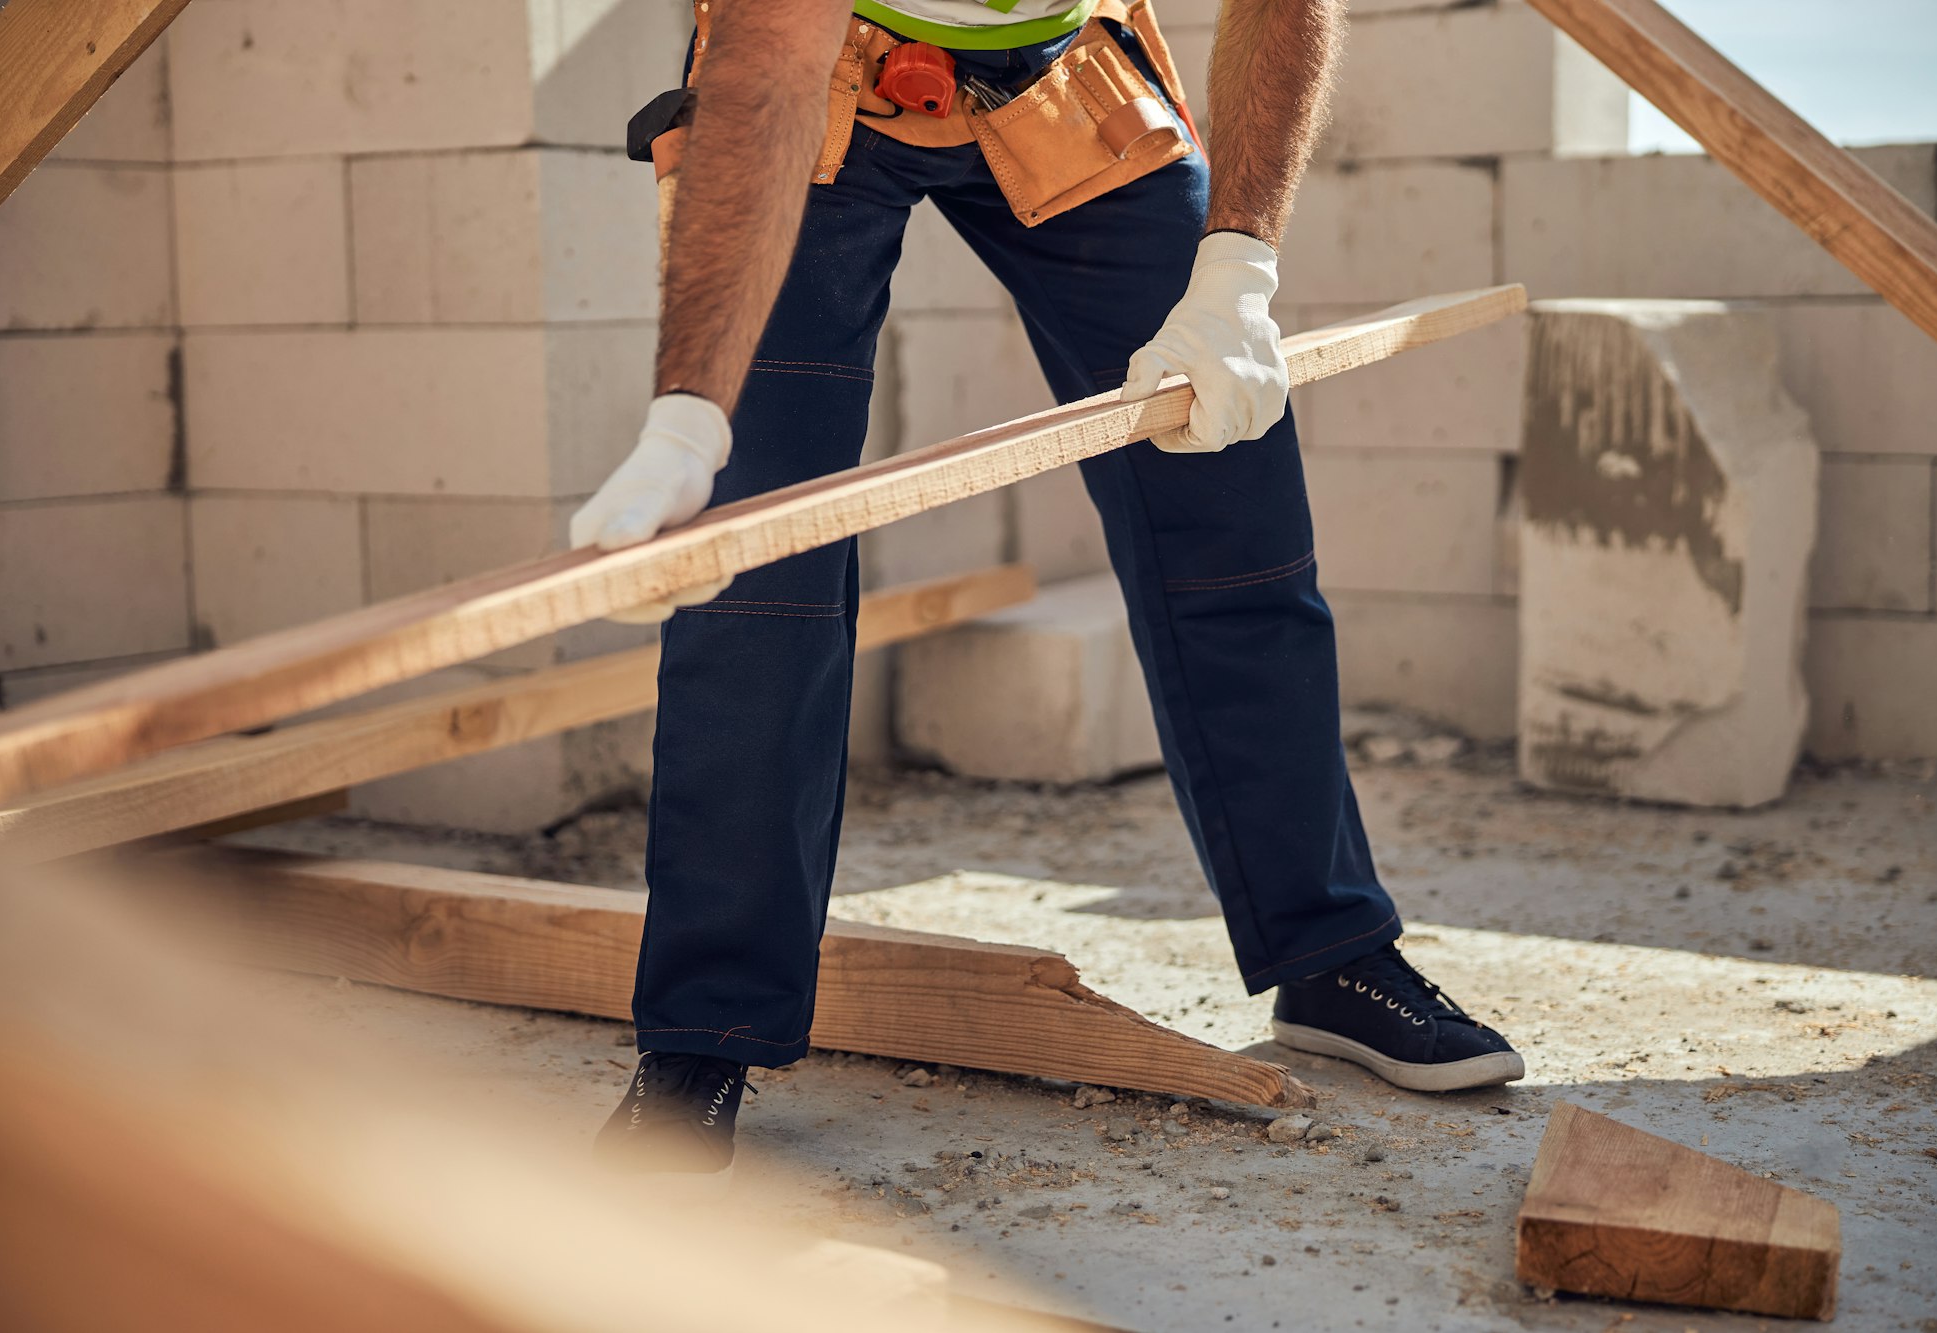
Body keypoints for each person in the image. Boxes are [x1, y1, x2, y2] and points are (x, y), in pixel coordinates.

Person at [581, 0, 1523, 1178]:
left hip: (1063, 83)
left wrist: (1236, 269)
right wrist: (688, 417)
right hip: (814, 78)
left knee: (1231, 514)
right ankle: (698, 1035)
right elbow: (767, 62)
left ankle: (1328, 952)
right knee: (754, 560)